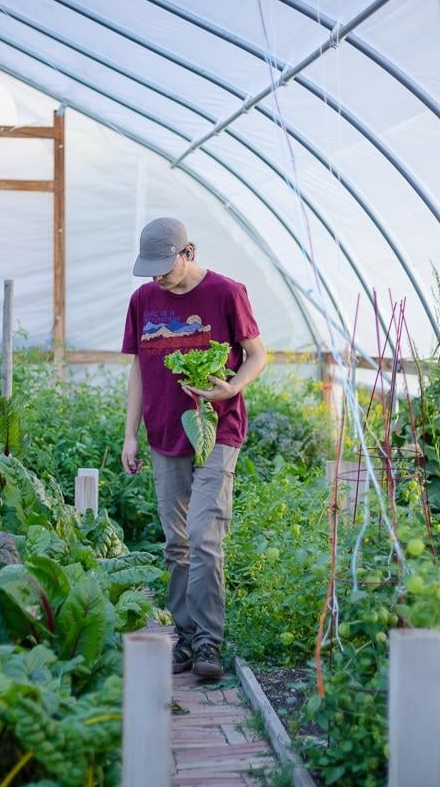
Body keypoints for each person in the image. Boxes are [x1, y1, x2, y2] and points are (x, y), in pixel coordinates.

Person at [120, 217, 267, 680]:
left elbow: (258, 353)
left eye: (165, 266)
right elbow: (139, 372)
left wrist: (233, 388)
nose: (158, 276)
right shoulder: (143, 300)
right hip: (164, 434)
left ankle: (207, 643)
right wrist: (129, 435)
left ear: (188, 252)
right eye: (151, 269)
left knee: (205, 536)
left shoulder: (226, 292)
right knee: (176, 543)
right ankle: (184, 640)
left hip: (216, 429)